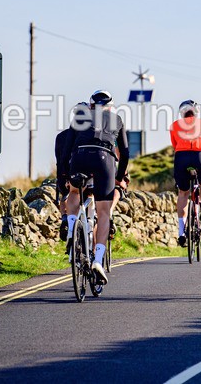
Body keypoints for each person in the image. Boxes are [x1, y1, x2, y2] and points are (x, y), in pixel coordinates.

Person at [62, 90, 129, 284]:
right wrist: (118, 177)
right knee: (104, 212)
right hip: (104, 159)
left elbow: (66, 151)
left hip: (80, 157)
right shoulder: (117, 119)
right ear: (111, 106)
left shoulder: (80, 116)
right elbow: (124, 153)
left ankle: (72, 229)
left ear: (91, 105)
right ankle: (98, 260)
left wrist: (65, 175)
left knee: (75, 192)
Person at [170, 100, 201, 247]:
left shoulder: (174, 125)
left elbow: (175, 146)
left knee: (183, 193)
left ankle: (181, 233)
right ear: (197, 112)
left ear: (182, 112)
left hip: (182, 157)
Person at [55, 102, 89, 242]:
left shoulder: (62, 136)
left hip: (66, 175)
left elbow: (60, 159)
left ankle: (65, 218)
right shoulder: (89, 133)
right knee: (91, 197)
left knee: (65, 194)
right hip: (86, 175)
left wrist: (63, 177)